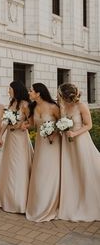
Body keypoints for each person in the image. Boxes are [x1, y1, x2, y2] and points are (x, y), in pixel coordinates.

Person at [57, 83, 100, 221]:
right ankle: (73, 199)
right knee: (71, 170)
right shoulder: (63, 106)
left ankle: (87, 200)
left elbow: (89, 125)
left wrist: (75, 134)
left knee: (83, 169)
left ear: (64, 94)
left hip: (80, 142)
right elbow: (62, 121)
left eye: (59, 94)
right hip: (67, 144)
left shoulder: (81, 106)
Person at [0, 81, 33, 213]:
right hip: (10, 139)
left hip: (20, 139)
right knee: (9, 166)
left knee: (18, 166)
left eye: (10, 89)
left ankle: (19, 201)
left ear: (16, 89)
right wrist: (0, 137)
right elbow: (5, 122)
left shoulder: (25, 104)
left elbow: (32, 122)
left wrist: (22, 126)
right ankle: (7, 198)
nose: (8, 91)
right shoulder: (12, 103)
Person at [26, 83, 60, 222]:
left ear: (38, 93)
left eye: (31, 91)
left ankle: (49, 205)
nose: (29, 93)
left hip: (52, 144)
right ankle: (38, 204)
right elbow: (33, 125)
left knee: (49, 172)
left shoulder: (53, 107)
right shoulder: (33, 107)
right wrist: (22, 124)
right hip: (40, 145)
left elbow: (63, 123)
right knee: (39, 171)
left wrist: (54, 132)